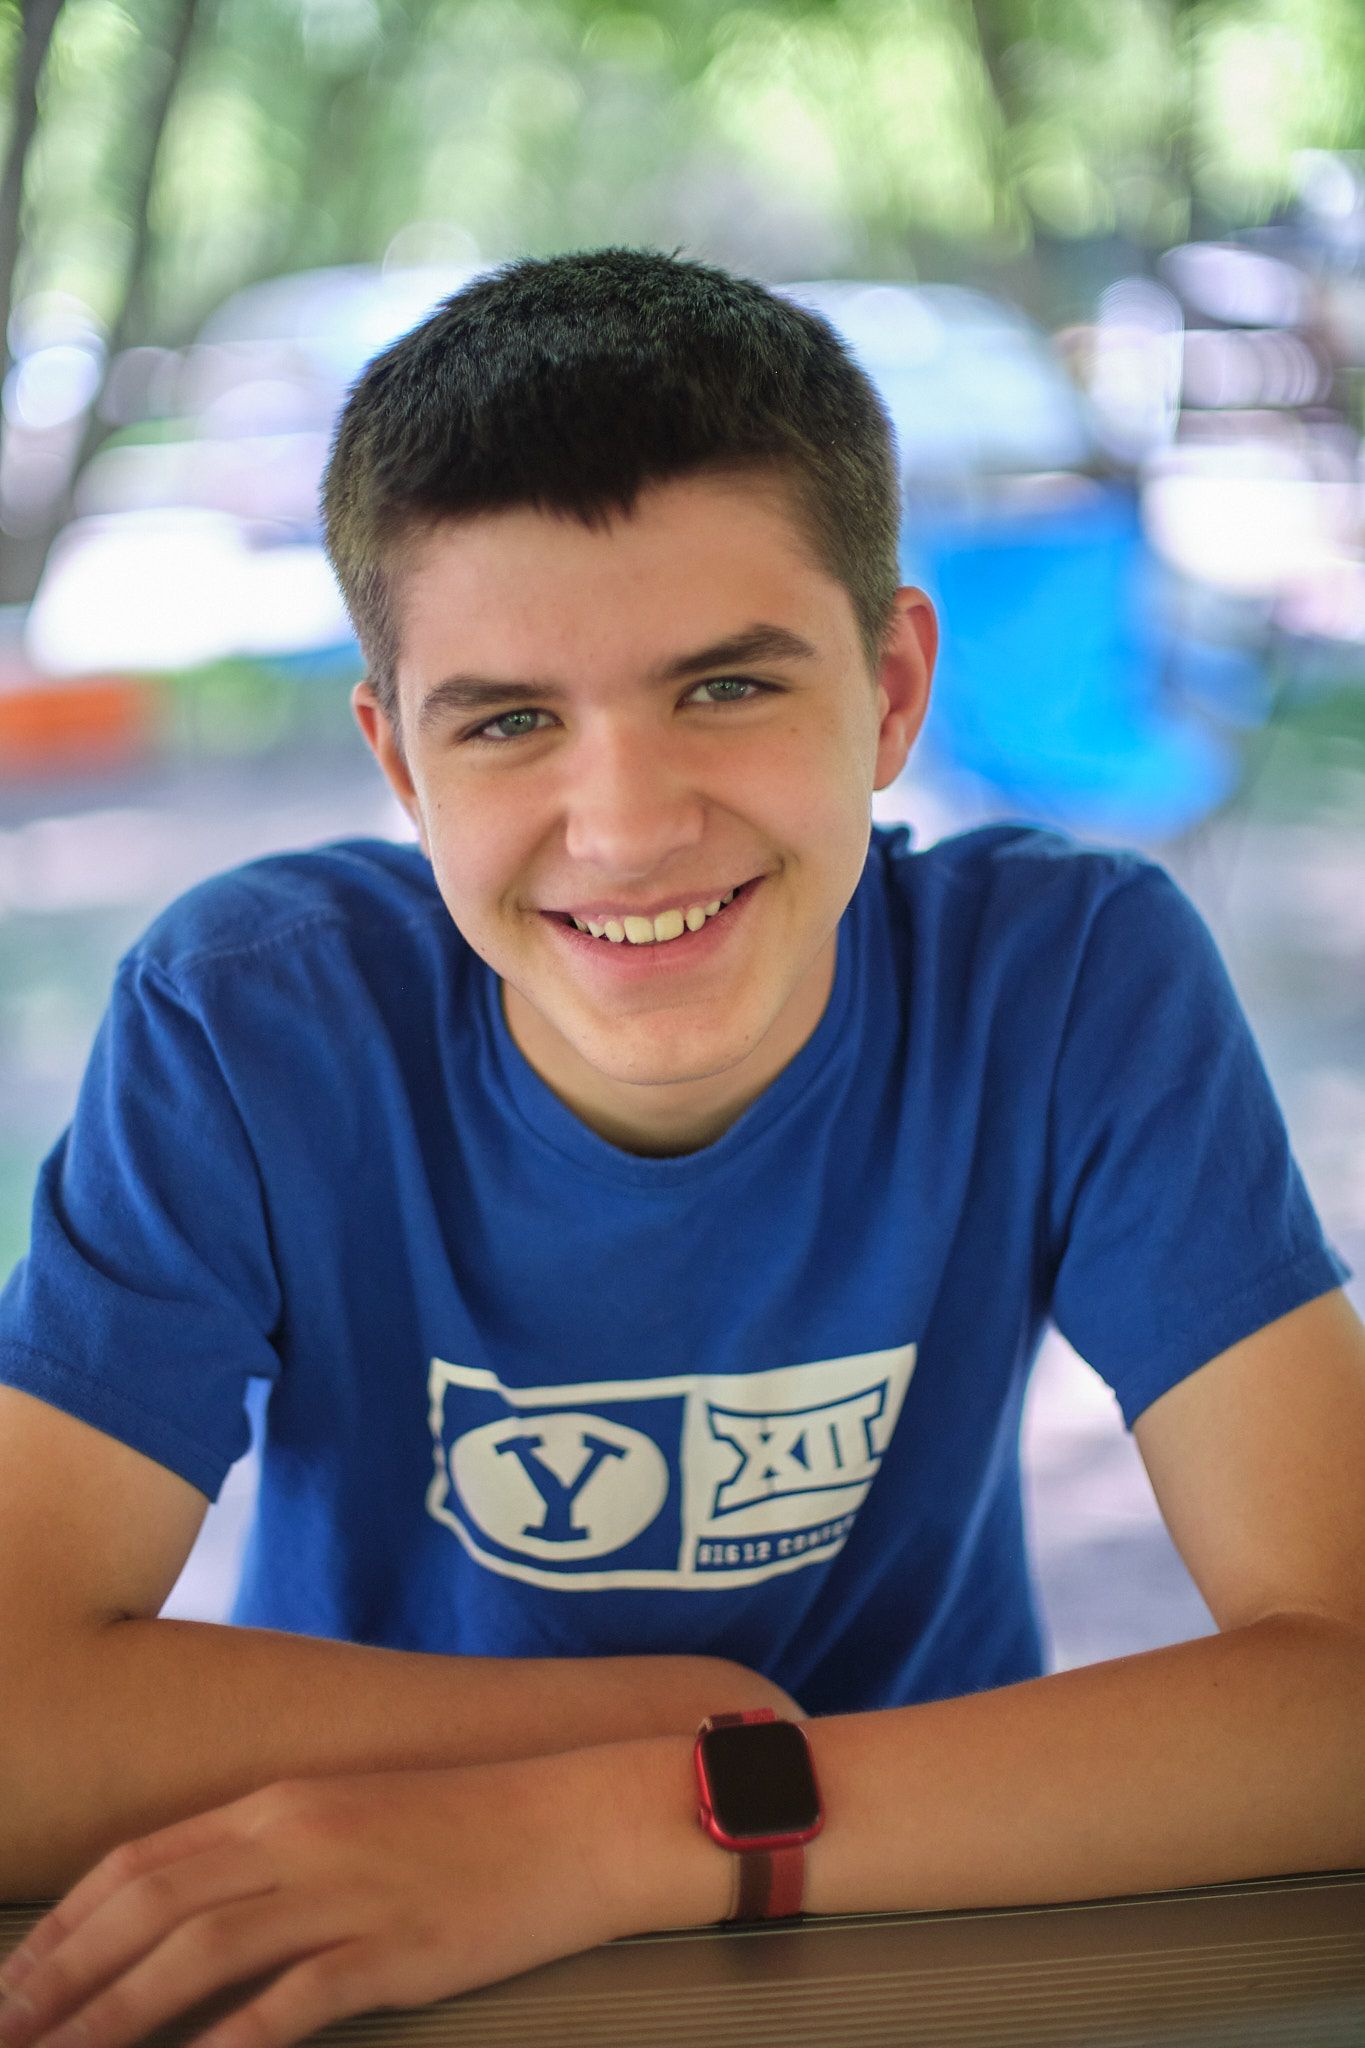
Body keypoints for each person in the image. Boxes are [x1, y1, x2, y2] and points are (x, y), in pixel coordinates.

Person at [0, 246, 1362, 2048]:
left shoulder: (1068, 979)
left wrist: (643, 1821)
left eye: (725, 688)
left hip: (928, 1947)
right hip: (367, 1952)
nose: (627, 827)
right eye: (506, 722)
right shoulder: (251, 1021)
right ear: (399, 767)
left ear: (885, 693)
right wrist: (695, 1707)